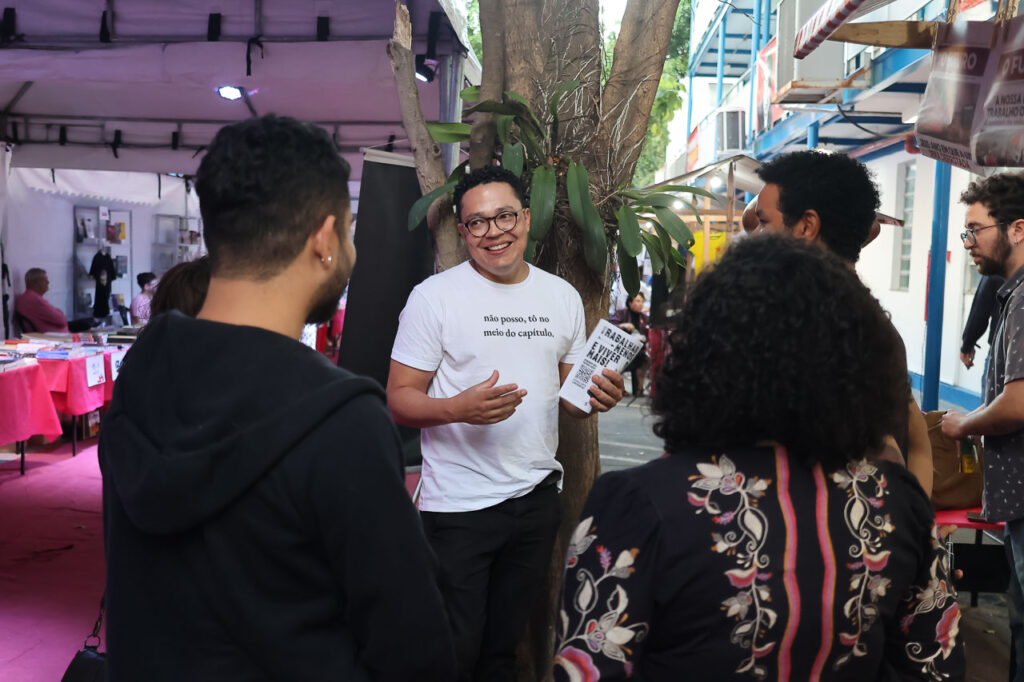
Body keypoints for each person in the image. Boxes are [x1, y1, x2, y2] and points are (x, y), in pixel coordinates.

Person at [99, 114, 454, 681]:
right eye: (350, 232)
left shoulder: (143, 371)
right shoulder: (342, 419)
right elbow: (415, 651)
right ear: (325, 239)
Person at [555, 234, 964, 681]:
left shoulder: (637, 504)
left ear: (705, 355)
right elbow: (934, 669)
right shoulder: (897, 502)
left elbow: (588, 670)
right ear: (858, 366)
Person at [387, 165, 625, 682]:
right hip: (459, 506)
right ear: (463, 230)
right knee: (453, 651)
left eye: (505, 217)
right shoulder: (433, 298)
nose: (493, 232)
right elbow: (399, 400)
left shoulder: (560, 296)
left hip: (536, 500)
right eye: (477, 222)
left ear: (526, 218)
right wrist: (458, 409)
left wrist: (598, 395)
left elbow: (571, 400)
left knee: (502, 651)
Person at [753, 150, 933, 497]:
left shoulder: (814, 328)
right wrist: (917, 521)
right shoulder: (872, 324)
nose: (755, 236)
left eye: (764, 222)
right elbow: (917, 436)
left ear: (806, 226)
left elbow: (897, 445)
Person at [941, 171, 1024, 682]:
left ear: (1018, 229)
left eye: (975, 230)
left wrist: (965, 424)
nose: (968, 242)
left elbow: (1019, 402)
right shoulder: (1009, 293)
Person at [961, 274, 1004, 392]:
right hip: (1006, 348)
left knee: (992, 398)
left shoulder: (998, 268)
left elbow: (981, 309)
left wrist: (967, 345)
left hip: (1002, 351)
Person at [609, 292, 649, 396]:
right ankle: (620, 388)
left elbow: (648, 334)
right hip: (622, 348)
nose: (640, 304)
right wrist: (622, 326)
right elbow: (611, 325)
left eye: (642, 301)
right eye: (638, 301)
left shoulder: (644, 318)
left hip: (639, 349)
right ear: (630, 303)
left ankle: (639, 387)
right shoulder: (621, 313)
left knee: (643, 357)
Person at [14, 267, 69, 333]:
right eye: (44, 280)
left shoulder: (29, 297)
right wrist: (59, 311)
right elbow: (62, 320)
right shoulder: (34, 299)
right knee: (81, 324)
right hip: (52, 336)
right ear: (34, 283)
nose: (48, 282)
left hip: (52, 332)